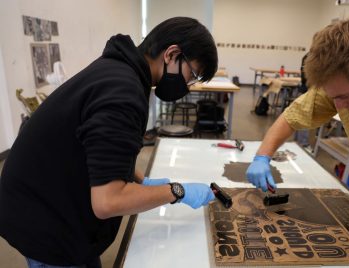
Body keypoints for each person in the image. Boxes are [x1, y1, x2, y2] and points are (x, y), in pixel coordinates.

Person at [0, 17, 218, 267]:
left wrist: (140, 180)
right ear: (172, 54)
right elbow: (108, 202)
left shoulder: (120, 70)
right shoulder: (122, 91)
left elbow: (103, 150)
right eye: (193, 75)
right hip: (44, 219)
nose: (188, 87)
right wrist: (177, 192)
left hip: (46, 195)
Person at [246, 17, 349, 230]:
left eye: (345, 96)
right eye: (333, 97)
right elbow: (291, 118)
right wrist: (262, 156)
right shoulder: (342, 82)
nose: (339, 106)